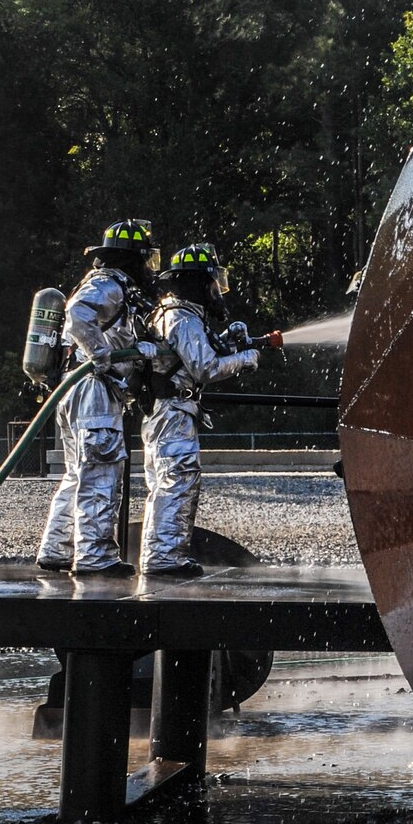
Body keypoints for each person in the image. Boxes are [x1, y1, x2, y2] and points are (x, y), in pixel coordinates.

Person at [35, 219, 160, 577]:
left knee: (77, 473)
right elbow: (77, 316)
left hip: (76, 389)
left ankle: (57, 550)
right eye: (144, 259)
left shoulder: (106, 284)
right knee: (101, 473)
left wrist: (133, 350)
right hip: (93, 389)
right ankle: (95, 558)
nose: (149, 268)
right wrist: (102, 355)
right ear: (130, 259)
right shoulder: (110, 283)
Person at [139, 244, 262, 576]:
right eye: (212, 283)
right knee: (177, 481)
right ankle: (164, 559)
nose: (216, 291)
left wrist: (228, 338)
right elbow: (205, 368)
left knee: (167, 482)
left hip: (166, 411)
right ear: (198, 283)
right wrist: (244, 360)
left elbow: (188, 357)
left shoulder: (174, 313)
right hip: (174, 412)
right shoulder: (183, 318)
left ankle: (163, 555)